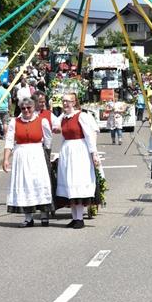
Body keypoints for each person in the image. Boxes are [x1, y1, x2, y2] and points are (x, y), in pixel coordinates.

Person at [2, 97, 53, 227]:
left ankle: (43, 215)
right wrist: (6, 158)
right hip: (21, 156)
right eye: (23, 108)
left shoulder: (42, 121)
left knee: (39, 182)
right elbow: (9, 141)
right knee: (25, 184)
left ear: (33, 108)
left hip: (37, 154)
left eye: (28, 108)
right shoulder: (15, 122)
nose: (26, 110)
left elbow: (48, 141)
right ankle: (28, 217)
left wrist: (46, 155)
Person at [54, 92, 100, 229]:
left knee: (77, 182)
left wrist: (94, 154)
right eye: (63, 101)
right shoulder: (63, 117)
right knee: (69, 184)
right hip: (67, 151)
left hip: (80, 152)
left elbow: (90, 136)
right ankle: (74, 218)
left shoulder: (82, 116)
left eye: (68, 101)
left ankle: (80, 218)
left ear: (74, 102)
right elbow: (58, 131)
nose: (65, 104)